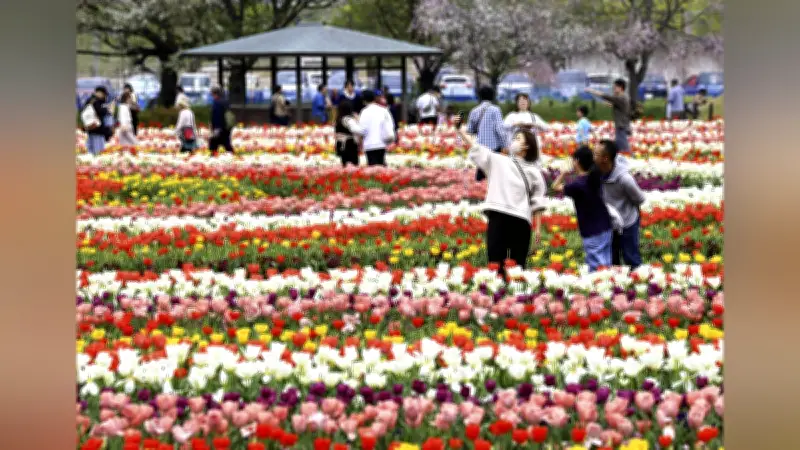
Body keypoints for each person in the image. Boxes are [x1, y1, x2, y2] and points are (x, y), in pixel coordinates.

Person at [456, 122, 547, 279]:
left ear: (527, 147)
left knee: (517, 266)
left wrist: (538, 228)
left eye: (518, 139)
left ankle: (516, 296)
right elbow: (477, 147)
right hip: (499, 215)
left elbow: (537, 201)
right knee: (495, 261)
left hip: (521, 220)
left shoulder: (534, 172)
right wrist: (461, 131)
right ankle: (499, 295)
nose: (513, 142)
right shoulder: (499, 160)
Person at [551, 146, 616, 272]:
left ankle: (598, 291)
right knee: (606, 265)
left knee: (596, 269)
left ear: (576, 161)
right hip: (605, 227)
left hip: (591, 231)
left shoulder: (578, 185)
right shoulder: (594, 178)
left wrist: (564, 172)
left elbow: (555, 186)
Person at [594, 139, 646, 269]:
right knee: (611, 259)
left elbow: (640, 199)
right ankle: (617, 286)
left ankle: (638, 282)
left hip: (628, 221)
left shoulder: (624, 179)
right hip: (609, 223)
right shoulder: (596, 173)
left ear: (605, 158)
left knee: (631, 257)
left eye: (596, 154)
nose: (592, 157)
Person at [467, 86, 509, 181]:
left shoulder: (474, 111)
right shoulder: (495, 110)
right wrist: (505, 145)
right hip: (494, 147)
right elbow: (500, 130)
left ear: (480, 96)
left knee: (481, 171)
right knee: (495, 174)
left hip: (480, 146)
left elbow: (470, 130)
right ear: (492, 96)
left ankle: (479, 191)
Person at [585, 79, 632, 153]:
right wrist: (610, 104)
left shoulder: (621, 97)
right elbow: (618, 106)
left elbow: (606, 96)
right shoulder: (623, 96)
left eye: (615, 87)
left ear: (621, 87)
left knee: (623, 146)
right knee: (620, 144)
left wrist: (592, 91)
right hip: (622, 124)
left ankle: (629, 157)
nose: (614, 88)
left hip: (621, 125)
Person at [358, 90, 396, 166]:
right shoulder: (383, 110)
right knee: (381, 168)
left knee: (373, 170)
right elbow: (391, 125)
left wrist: (360, 143)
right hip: (382, 143)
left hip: (369, 145)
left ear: (364, 100)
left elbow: (362, 130)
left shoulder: (364, 112)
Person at [80, 86, 112, 155]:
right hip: (98, 129)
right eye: (104, 94)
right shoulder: (96, 101)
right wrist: (107, 109)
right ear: (99, 93)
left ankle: (91, 161)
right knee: (99, 151)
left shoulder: (89, 100)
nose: (104, 97)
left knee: (90, 149)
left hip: (90, 128)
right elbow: (101, 111)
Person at [334, 100, 365, 166]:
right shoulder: (348, 119)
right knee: (353, 165)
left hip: (341, 144)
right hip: (349, 145)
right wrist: (358, 119)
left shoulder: (338, 119)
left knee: (344, 164)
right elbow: (357, 129)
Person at [209, 86, 234, 153]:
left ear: (215, 94)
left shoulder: (217, 102)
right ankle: (232, 156)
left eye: (212, 94)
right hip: (227, 127)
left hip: (220, 127)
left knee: (213, 144)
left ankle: (213, 157)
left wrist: (215, 128)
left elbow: (217, 116)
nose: (212, 96)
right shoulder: (225, 101)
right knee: (226, 143)